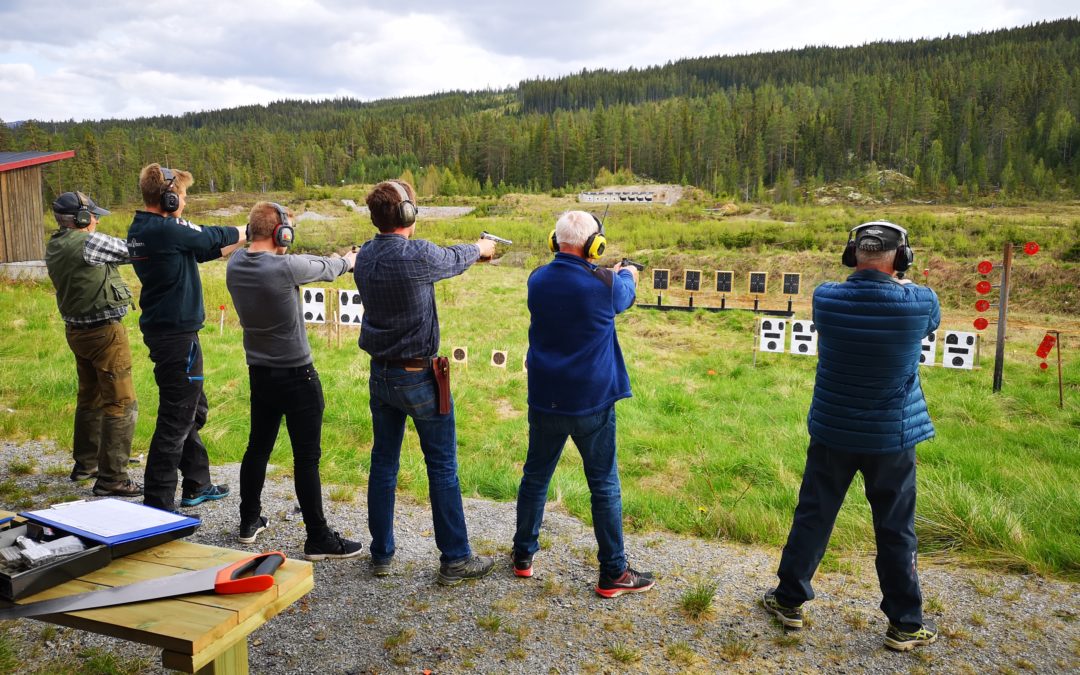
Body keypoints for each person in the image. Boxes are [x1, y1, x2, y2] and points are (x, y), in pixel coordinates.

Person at [762, 221, 941, 651]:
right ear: (902, 258)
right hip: (892, 437)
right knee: (896, 528)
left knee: (814, 515)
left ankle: (789, 600)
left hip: (833, 431)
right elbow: (928, 321)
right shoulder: (920, 301)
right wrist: (903, 283)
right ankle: (904, 623)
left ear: (851, 254)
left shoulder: (826, 297)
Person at [353, 179, 496, 585]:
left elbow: (442, 260)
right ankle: (455, 558)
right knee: (443, 467)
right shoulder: (416, 254)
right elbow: (453, 256)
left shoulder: (364, 256)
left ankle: (381, 553)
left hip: (380, 374)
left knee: (383, 464)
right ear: (407, 215)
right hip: (418, 375)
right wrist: (481, 249)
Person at [511, 210, 654, 598]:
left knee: (535, 478)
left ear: (555, 242)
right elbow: (624, 293)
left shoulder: (536, 279)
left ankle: (523, 556)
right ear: (596, 246)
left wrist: (600, 269)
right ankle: (613, 572)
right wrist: (626, 272)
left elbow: (574, 285)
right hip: (591, 403)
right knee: (604, 484)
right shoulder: (606, 283)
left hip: (544, 398)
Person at [225, 201, 363, 560]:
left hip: (260, 374)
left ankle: (248, 521)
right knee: (306, 458)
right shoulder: (285, 267)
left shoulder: (236, 263)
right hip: (298, 375)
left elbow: (297, 263)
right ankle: (318, 537)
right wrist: (350, 259)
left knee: (258, 447)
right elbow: (330, 268)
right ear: (280, 234)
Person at [127, 163, 245, 512]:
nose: (185, 201)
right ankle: (158, 506)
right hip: (177, 337)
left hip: (169, 332)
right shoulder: (165, 228)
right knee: (176, 420)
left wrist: (243, 239)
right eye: (183, 195)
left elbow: (204, 250)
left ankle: (197, 482)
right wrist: (250, 227)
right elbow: (208, 237)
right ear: (168, 197)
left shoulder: (147, 227)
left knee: (194, 409)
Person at [44, 191, 142, 497]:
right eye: (93, 215)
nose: (97, 220)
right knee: (120, 403)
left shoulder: (56, 244)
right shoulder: (88, 243)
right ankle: (113, 477)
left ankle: (86, 464)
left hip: (77, 332)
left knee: (90, 399)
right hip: (104, 334)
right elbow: (134, 251)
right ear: (81, 219)